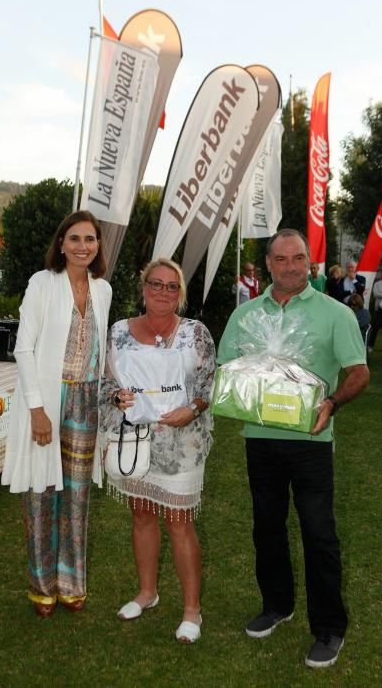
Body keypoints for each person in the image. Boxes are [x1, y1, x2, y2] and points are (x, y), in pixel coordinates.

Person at [218, 229, 369, 669]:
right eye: (280, 259)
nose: (290, 266)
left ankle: (329, 628)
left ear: (309, 262)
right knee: (266, 526)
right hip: (260, 439)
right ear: (268, 264)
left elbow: (358, 372)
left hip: (311, 440)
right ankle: (276, 604)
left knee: (319, 533)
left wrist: (332, 402)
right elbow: (228, 366)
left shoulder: (334, 314)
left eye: (298, 258)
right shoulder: (246, 315)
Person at [2, 210, 112, 618]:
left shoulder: (103, 289)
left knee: (77, 497)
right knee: (40, 495)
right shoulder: (42, 283)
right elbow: (24, 347)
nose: (83, 246)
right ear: (61, 244)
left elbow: (100, 353)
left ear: (98, 245)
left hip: (86, 403)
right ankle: (41, 586)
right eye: (75, 238)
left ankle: (71, 582)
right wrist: (37, 409)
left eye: (90, 239)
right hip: (47, 401)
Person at [99, 258, 216, 644]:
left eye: (171, 286)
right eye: (156, 284)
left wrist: (193, 409)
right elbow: (103, 382)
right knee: (141, 513)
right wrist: (117, 396)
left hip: (180, 444)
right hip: (135, 440)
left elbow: (208, 387)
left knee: (179, 522)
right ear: (143, 287)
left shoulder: (196, 333)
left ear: (179, 292)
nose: (163, 292)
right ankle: (147, 592)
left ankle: (191, 610)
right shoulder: (118, 332)